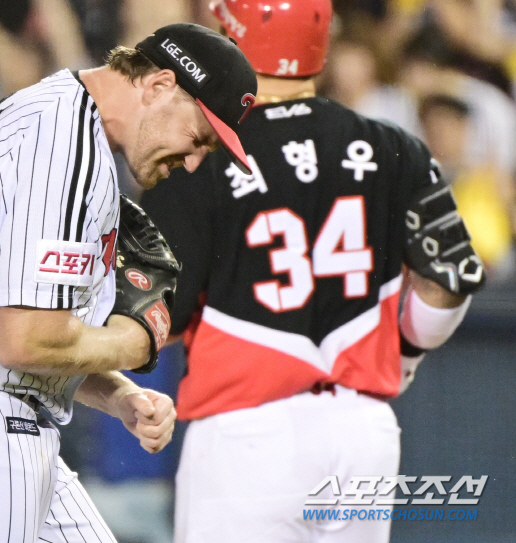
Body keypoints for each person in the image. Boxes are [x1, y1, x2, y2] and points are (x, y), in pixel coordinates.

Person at [0, 22, 257, 543]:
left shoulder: (65, 122)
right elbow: (25, 339)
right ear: (158, 86)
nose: (194, 160)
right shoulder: (63, 142)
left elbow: (20, 327)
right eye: (199, 137)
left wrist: (115, 394)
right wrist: (133, 343)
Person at [139, 2, 486, 542]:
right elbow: (449, 280)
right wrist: (409, 351)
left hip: (247, 431)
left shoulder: (200, 153)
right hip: (361, 432)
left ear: (234, 39)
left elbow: (163, 314)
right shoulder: (395, 145)